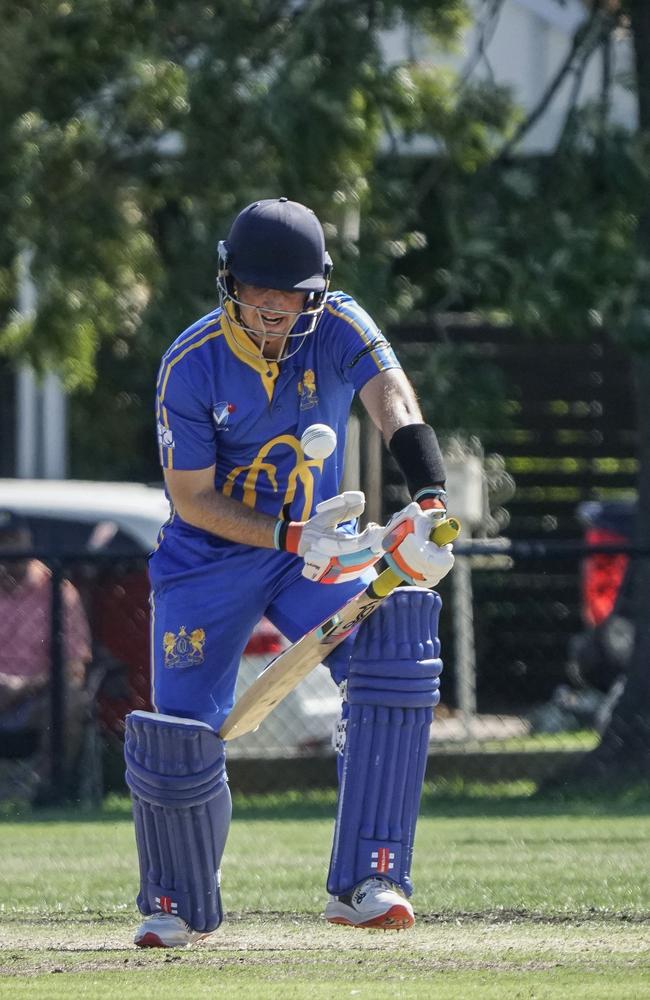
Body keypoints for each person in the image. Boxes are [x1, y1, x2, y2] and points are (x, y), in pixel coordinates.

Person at [124, 198, 455, 947]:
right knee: (180, 733)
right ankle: (176, 901)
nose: (273, 309)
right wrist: (287, 533)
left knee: (395, 645)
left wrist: (430, 498)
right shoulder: (191, 362)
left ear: (318, 289)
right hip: (211, 556)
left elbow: (394, 402)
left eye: (291, 295)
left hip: (322, 552)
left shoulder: (339, 324)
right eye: (257, 292)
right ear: (228, 282)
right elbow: (191, 497)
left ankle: (371, 878)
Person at [0, 510, 92, 799]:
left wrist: (23, 687)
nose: (10, 550)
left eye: (15, 540)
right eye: (3, 542)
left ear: (29, 540)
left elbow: (74, 666)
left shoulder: (58, 590)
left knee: (73, 699)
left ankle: (45, 792)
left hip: (38, 698)